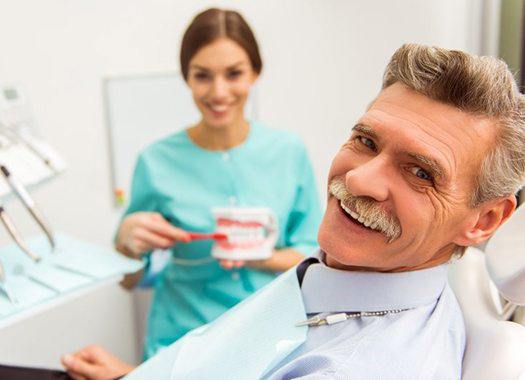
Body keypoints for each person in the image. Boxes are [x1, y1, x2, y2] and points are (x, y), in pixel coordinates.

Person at [62, 44, 525, 379]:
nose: (359, 179)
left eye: (420, 173)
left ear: (483, 220)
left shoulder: (349, 363)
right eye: (366, 141)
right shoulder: (344, 273)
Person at [112, 7, 321, 360]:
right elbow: (130, 280)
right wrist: (126, 245)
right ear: (186, 78)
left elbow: (316, 258)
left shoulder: (288, 152)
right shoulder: (155, 161)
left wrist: (260, 256)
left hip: (270, 340)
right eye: (203, 76)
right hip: (181, 345)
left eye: (234, 73)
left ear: (255, 72)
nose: (218, 91)